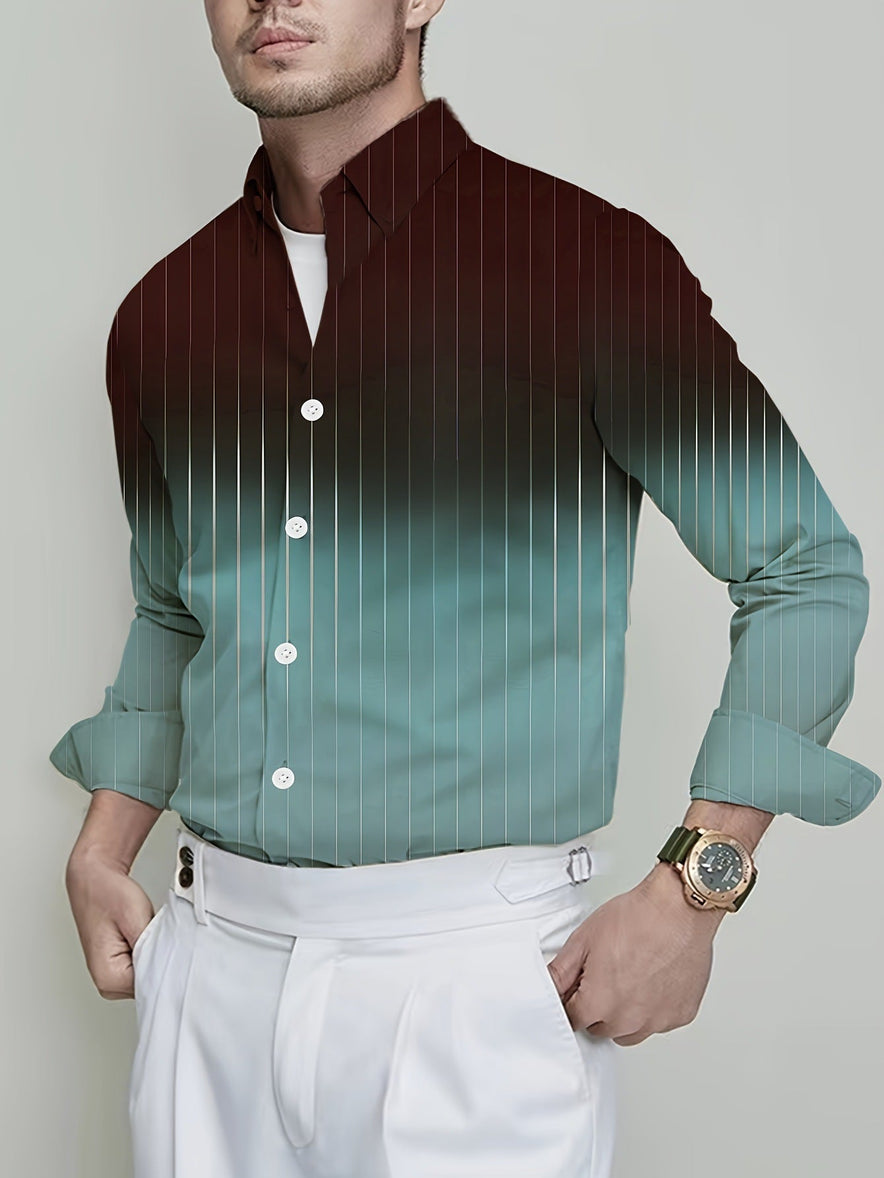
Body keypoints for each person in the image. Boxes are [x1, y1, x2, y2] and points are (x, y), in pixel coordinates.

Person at [51, 2, 881, 1176]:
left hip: (472, 978)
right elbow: (177, 608)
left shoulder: (581, 262)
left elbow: (800, 567)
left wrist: (692, 890)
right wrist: (101, 845)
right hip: (205, 972)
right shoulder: (163, 314)